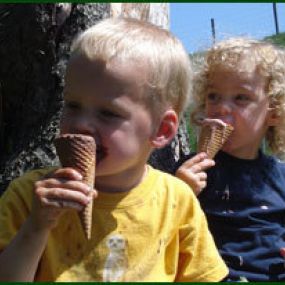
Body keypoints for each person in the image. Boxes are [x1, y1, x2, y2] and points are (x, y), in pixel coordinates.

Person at [0, 18, 228, 282]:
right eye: (72, 105)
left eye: (108, 113)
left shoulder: (176, 199)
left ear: (162, 130)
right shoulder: (29, 196)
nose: (81, 124)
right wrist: (35, 228)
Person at [175, 37, 285, 281]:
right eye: (213, 96)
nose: (222, 108)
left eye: (240, 98)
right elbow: (163, 224)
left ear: (274, 112)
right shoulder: (191, 168)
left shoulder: (280, 176)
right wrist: (181, 191)